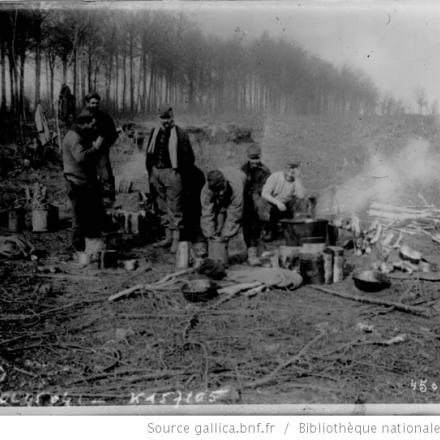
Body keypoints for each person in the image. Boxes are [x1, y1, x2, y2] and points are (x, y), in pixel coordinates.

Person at [145, 104, 195, 251]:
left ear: (173, 117)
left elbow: (189, 158)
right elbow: (149, 155)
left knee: (175, 207)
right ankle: (167, 237)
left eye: (168, 118)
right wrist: (151, 172)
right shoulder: (154, 132)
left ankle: (176, 240)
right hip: (156, 173)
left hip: (172, 173)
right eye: (162, 118)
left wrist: (179, 173)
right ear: (158, 118)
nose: (165, 121)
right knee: (161, 206)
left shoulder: (180, 133)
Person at [62, 114, 107, 252]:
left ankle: (82, 245)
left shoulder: (79, 134)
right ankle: (77, 247)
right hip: (75, 182)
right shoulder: (75, 137)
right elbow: (81, 158)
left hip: (81, 181)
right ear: (83, 124)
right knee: (79, 216)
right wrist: (96, 147)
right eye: (92, 125)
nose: (94, 128)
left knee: (84, 215)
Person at [81, 93, 118, 205]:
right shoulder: (81, 117)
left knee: (106, 176)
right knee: (87, 176)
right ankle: (91, 201)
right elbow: (76, 134)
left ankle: (109, 201)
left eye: (97, 103)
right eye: (92, 103)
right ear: (87, 103)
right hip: (86, 152)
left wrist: (104, 145)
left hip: (101, 152)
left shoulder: (105, 117)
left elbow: (113, 135)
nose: (95, 105)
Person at [241, 144, 271, 265]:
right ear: (248, 157)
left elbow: (268, 189)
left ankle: (257, 251)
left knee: (258, 226)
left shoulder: (265, 171)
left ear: (260, 157)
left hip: (260, 201)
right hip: (246, 202)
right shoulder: (243, 170)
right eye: (252, 158)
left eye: (256, 158)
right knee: (248, 227)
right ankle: (251, 253)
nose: (254, 161)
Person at [260, 161, 306, 241]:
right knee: (271, 209)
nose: (290, 174)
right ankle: (269, 231)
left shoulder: (296, 180)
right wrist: (277, 203)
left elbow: (301, 196)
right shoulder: (275, 177)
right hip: (271, 202)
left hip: (286, 205)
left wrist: (298, 179)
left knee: (298, 202)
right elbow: (264, 194)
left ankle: (288, 229)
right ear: (284, 169)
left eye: (293, 172)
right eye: (288, 171)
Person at [200, 167, 246, 246]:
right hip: (227, 177)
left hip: (241, 180)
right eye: (217, 190)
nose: (221, 193)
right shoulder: (206, 192)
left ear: (225, 183)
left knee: (247, 215)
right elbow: (206, 214)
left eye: (222, 188)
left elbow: (234, 216)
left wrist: (225, 235)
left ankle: (251, 247)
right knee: (218, 209)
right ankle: (218, 230)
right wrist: (210, 235)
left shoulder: (236, 188)